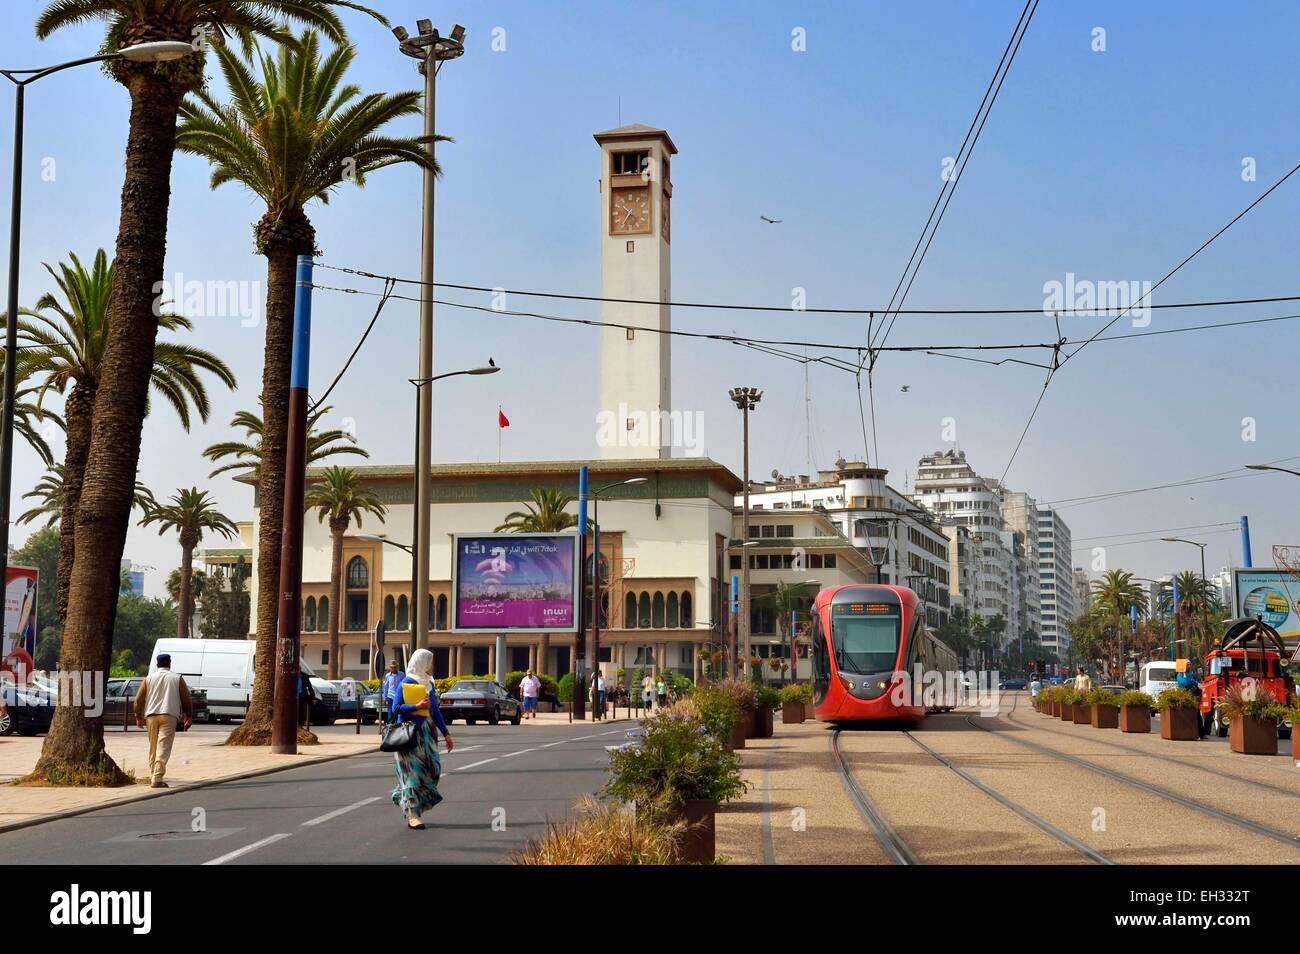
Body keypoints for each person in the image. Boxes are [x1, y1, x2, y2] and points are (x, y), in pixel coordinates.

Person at [389, 648, 454, 830]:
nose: (432, 666)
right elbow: (396, 708)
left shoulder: (429, 684)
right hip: (410, 735)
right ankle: (413, 815)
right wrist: (416, 706)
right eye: (429, 662)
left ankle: (405, 798)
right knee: (412, 775)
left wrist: (446, 733)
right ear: (422, 663)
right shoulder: (406, 682)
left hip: (428, 734)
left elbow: (435, 712)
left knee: (434, 770)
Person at [133, 654, 193, 789]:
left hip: (151, 716)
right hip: (169, 715)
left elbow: (138, 700)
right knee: (163, 746)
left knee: (153, 746)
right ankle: (157, 777)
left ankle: (153, 772)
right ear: (170, 663)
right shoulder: (177, 678)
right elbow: (186, 699)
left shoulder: (148, 679)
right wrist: (188, 715)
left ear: (157, 664)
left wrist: (138, 716)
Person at [1176, 664, 1207, 738]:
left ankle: (1201, 734)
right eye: (1188, 665)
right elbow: (1185, 683)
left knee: (1197, 715)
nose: (1190, 666)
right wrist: (1185, 675)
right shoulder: (1180, 675)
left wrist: (1197, 684)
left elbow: (1193, 681)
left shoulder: (1191, 673)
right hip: (1185, 697)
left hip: (1194, 697)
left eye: (1190, 664)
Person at [381, 660, 405, 726]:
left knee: (397, 712)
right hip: (390, 697)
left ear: (397, 667)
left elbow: (404, 685)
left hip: (398, 697)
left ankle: (397, 726)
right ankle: (389, 727)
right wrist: (385, 698)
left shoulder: (402, 674)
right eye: (392, 667)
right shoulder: (387, 676)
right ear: (390, 668)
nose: (393, 669)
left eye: (395, 667)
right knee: (390, 713)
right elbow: (386, 687)